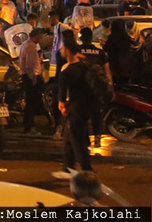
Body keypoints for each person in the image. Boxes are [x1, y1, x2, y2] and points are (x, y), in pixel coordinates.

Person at [54, 30, 94, 179]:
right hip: (85, 107)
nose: (61, 51)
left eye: (63, 48)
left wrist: (62, 106)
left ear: (68, 50)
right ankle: (67, 169)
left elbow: (62, 94)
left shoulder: (67, 70)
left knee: (77, 141)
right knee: (70, 140)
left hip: (74, 109)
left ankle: (87, 170)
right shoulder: (84, 66)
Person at [79, 27, 111, 148]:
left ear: (81, 38)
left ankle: (85, 139)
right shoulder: (100, 52)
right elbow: (107, 71)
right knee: (96, 114)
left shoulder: (77, 51)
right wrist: (109, 86)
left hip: (81, 87)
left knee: (82, 114)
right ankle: (97, 139)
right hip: (97, 88)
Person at [19, 28, 44, 135]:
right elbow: (29, 65)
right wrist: (33, 77)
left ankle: (28, 125)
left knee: (31, 103)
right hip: (30, 77)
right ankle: (29, 126)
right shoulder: (30, 46)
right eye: (40, 36)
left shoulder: (26, 44)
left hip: (28, 76)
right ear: (37, 36)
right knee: (31, 103)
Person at [103, 19, 135, 85]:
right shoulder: (127, 38)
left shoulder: (112, 38)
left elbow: (106, 48)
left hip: (114, 68)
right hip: (125, 69)